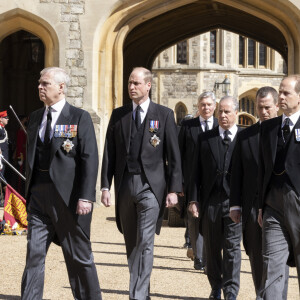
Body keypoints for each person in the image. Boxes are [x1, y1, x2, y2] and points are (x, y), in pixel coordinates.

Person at [101, 67, 182, 300]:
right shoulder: (119, 115)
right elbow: (109, 153)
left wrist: (174, 189)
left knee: (145, 241)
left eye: (136, 83)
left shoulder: (164, 114)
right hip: (126, 184)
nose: (131, 87)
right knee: (131, 242)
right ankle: (141, 292)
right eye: (129, 83)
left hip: (152, 187)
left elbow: (173, 155)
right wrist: (105, 186)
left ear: (148, 85)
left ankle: (136, 295)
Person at [21, 67, 102, 300]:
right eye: (39, 82)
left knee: (78, 256)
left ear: (61, 87)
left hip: (68, 198)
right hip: (38, 195)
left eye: (45, 83)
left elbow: (89, 159)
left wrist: (86, 196)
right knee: (34, 255)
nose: (40, 86)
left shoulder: (79, 117)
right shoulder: (36, 117)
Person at [230, 87, 289, 298]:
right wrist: (235, 205)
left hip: (278, 208)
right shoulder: (245, 136)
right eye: (259, 107)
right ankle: (261, 294)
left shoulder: (286, 134)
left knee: (277, 260)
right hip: (252, 209)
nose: (263, 112)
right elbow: (236, 173)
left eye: (267, 107)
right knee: (256, 258)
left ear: (276, 106)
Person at [189, 96, 242, 300]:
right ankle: (215, 286)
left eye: (227, 111)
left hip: (234, 202)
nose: (222, 115)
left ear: (236, 113)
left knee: (232, 248)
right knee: (211, 248)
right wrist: (194, 200)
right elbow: (196, 172)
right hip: (211, 201)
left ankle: (230, 291)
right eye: (220, 111)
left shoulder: (244, 138)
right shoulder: (205, 138)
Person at [257, 74, 300, 299]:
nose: (280, 97)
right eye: (279, 92)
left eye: (286, 93)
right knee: (272, 266)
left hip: (298, 202)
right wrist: (260, 205)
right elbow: (263, 170)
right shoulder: (269, 127)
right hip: (272, 205)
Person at [178, 91, 218, 270]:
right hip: (192, 181)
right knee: (194, 218)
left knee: (212, 220)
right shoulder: (188, 126)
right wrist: (178, 183)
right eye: (203, 105)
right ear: (198, 106)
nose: (206, 108)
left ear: (215, 106)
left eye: (209, 104)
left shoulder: (219, 125)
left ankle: (211, 256)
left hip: (215, 183)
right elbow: (178, 155)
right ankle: (199, 256)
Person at [0, 110, 9, 176]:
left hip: (3, 157)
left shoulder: (2, 129)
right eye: (6, 117)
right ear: (1, 119)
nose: (7, 119)